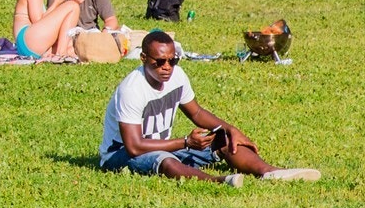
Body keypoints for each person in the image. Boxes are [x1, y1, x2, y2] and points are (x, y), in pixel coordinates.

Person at [99, 30, 321, 185]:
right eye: (159, 62)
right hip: (120, 154)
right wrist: (186, 143)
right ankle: (220, 181)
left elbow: (196, 112)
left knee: (222, 139)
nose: (166, 67)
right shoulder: (132, 89)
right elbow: (134, 146)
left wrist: (229, 129)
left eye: (172, 61)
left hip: (162, 145)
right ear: (143, 58)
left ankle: (270, 173)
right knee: (165, 160)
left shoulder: (177, 76)